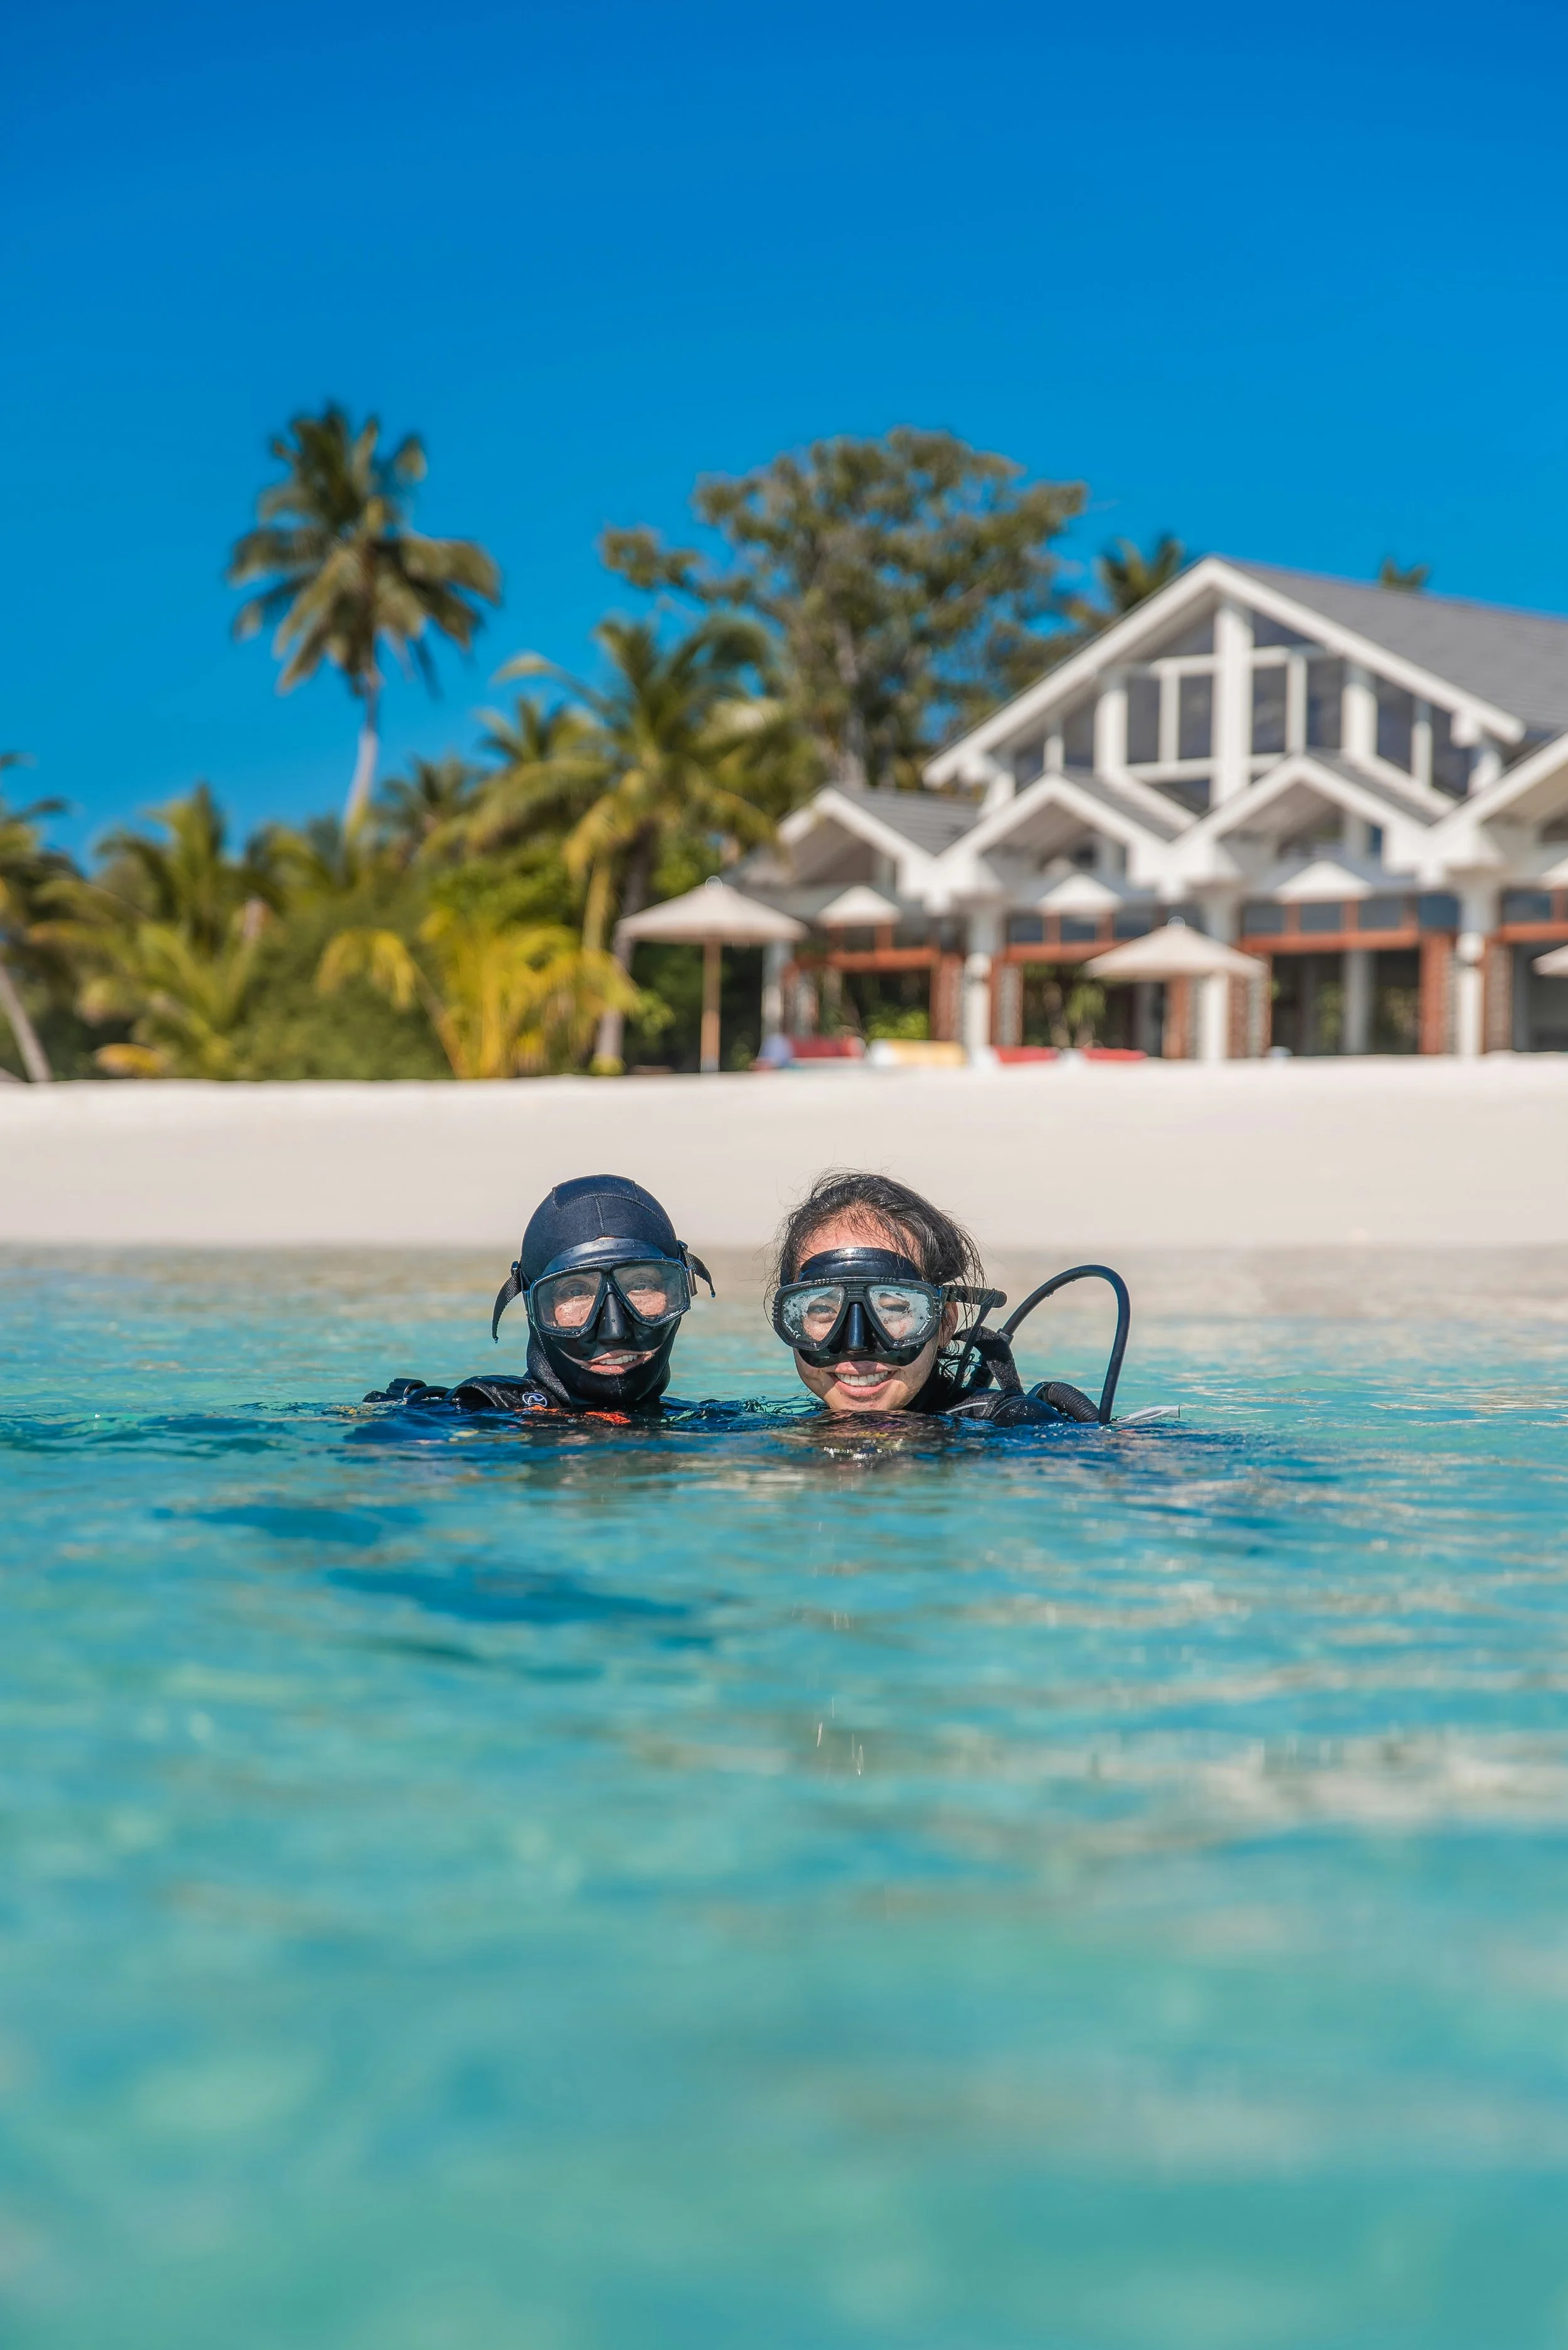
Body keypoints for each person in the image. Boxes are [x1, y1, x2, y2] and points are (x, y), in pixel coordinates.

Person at [768, 1169, 1120, 1424]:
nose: (856, 1346)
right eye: (823, 1310)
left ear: (944, 1322)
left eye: (891, 1309)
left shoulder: (1011, 1429)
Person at [366, 1174, 713, 1419]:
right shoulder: (472, 1416)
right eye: (575, 1292)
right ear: (532, 1309)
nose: (615, 1331)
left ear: (681, 1289)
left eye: (640, 1286)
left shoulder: (702, 1423)